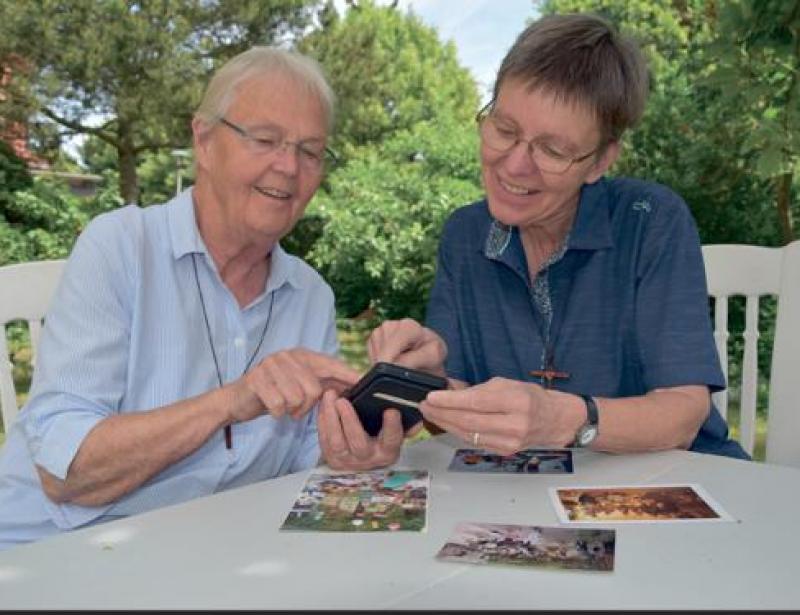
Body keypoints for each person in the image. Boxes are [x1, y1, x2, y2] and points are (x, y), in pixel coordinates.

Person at [0, 47, 406, 552]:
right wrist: (231, 401)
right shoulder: (121, 247)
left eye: (310, 150)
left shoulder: (310, 296)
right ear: (205, 141)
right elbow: (66, 474)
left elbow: (305, 462)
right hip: (48, 559)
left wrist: (350, 449)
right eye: (265, 139)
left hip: (199, 555)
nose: (289, 167)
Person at [367, 13, 747, 460]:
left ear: (601, 161)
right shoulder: (464, 234)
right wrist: (426, 380)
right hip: (530, 505)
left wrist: (563, 419)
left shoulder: (651, 220)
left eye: (552, 150)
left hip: (678, 487)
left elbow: (683, 415)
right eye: (504, 130)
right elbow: (456, 410)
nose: (513, 166)